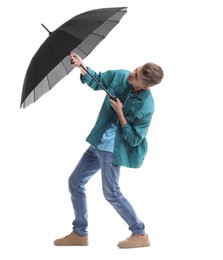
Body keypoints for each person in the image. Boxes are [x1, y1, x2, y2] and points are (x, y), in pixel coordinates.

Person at [54, 52, 164, 248]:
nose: (132, 74)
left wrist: (120, 113)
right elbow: (97, 80)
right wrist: (81, 66)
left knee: (111, 192)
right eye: (136, 69)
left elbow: (134, 139)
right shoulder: (121, 76)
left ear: (145, 86)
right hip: (99, 140)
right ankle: (80, 233)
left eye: (136, 76)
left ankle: (139, 233)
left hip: (113, 149)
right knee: (75, 181)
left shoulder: (147, 106)